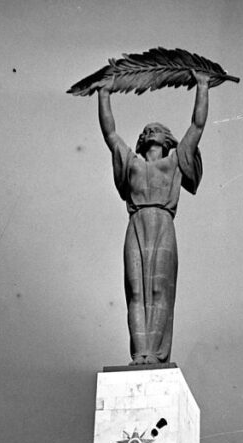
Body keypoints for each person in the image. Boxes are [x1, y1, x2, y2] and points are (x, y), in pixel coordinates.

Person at [97, 71, 210, 365]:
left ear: (164, 140)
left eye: (153, 132)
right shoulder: (131, 163)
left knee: (159, 290)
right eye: (145, 132)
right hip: (136, 224)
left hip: (162, 223)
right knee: (136, 292)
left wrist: (202, 85)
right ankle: (140, 353)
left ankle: (155, 355)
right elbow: (110, 135)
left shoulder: (173, 163)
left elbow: (197, 125)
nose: (148, 134)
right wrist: (104, 93)